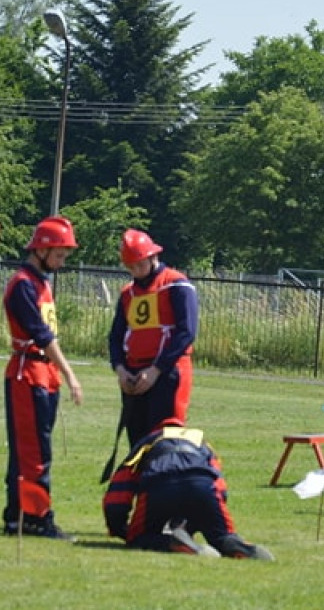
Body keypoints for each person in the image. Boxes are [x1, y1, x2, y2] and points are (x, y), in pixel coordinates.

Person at [2, 216, 84, 540]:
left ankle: (18, 516)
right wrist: (71, 373)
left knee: (35, 448)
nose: (62, 263)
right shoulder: (22, 284)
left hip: (42, 374)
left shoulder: (41, 284)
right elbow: (41, 335)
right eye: (60, 255)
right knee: (33, 452)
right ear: (42, 250)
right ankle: (34, 518)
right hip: (29, 374)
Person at [102, 420, 273, 559]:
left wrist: (118, 528)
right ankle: (237, 545)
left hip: (160, 484)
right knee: (222, 536)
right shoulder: (203, 443)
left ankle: (173, 543)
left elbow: (119, 490)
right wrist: (201, 522)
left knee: (139, 538)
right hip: (203, 485)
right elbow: (219, 487)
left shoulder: (147, 441)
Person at [109, 228, 198, 448]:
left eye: (140, 265)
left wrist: (156, 369)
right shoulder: (128, 293)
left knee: (166, 438)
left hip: (168, 372)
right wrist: (120, 369)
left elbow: (186, 332)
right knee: (137, 442)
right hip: (134, 373)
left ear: (153, 257)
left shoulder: (177, 284)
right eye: (131, 267)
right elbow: (116, 336)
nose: (136, 272)